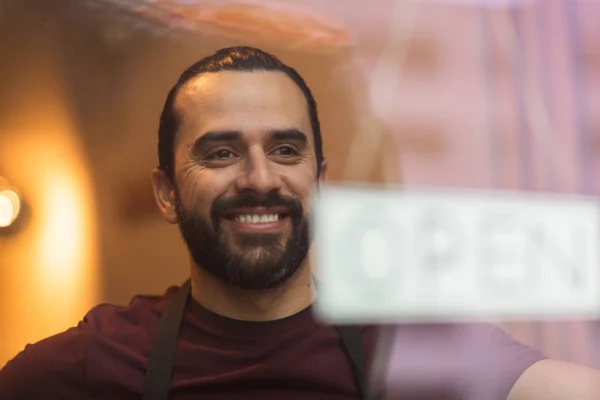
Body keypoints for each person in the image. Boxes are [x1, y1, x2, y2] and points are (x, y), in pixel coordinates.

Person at [0, 46, 599, 400]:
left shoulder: (408, 347)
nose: (261, 178)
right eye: (221, 152)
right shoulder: (94, 364)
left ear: (320, 181)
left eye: (286, 151)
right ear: (165, 193)